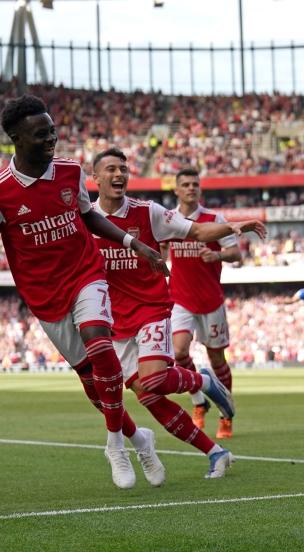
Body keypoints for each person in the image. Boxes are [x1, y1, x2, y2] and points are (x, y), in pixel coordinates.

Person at [0, 94, 167, 489]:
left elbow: (87, 214)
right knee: (93, 383)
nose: (51, 139)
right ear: (16, 139)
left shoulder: (71, 170)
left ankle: (114, 444)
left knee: (100, 342)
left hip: (85, 271)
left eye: (53, 131)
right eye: (41, 134)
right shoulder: (2, 190)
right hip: (43, 293)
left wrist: (134, 243)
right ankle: (138, 437)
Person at [92, 147, 264, 478]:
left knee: (156, 377)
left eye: (123, 169)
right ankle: (216, 452)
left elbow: (198, 231)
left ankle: (203, 381)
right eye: (111, 169)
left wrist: (235, 226)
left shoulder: (148, 212)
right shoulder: (86, 219)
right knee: (149, 397)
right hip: (115, 322)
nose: (119, 175)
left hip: (152, 308)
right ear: (95, 178)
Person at [165, 168, 243, 439]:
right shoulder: (169, 220)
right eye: (185, 184)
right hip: (180, 299)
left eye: (194, 184)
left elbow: (236, 254)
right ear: (176, 190)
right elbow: (161, 251)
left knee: (217, 360)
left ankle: (226, 413)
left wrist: (217, 256)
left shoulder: (214, 220)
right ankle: (199, 401)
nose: (190, 188)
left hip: (210, 301)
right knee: (178, 353)